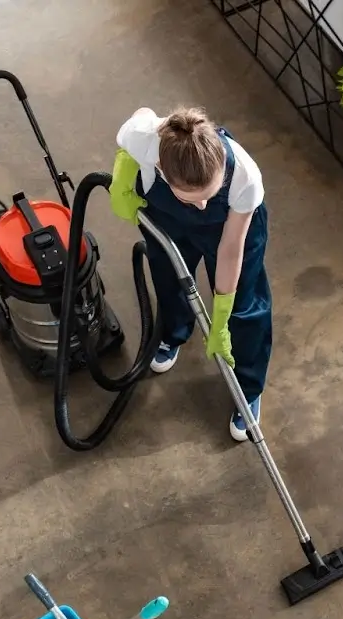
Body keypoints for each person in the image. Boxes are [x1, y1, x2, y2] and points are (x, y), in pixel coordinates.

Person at [109, 106, 272, 441]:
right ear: (160, 168)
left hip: (229, 229)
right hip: (168, 216)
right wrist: (123, 178)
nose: (201, 205)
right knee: (167, 273)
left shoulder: (245, 178)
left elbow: (230, 251)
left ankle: (248, 386)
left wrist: (222, 316)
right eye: (193, 198)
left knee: (243, 302)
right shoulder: (144, 140)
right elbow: (136, 120)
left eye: (208, 196)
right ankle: (174, 332)